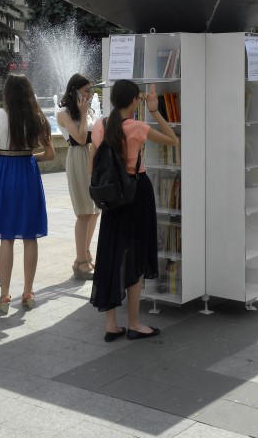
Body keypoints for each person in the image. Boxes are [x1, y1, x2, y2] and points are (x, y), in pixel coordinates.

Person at [90, 80, 178, 341]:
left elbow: (94, 164)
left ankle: (111, 325)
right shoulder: (137, 127)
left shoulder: (100, 126)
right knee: (135, 256)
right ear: (133, 101)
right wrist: (154, 111)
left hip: (111, 196)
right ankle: (134, 324)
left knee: (111, 254)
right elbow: (172, 140)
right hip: (136, 193)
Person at [0, 74, 55, 313]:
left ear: (7, 93)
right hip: (27, 174)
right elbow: (50, 154)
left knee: (7, 236)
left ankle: (4, 296)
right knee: (29, 235)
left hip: (4, 174)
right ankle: (28, 292)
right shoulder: (38, 118)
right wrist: (29, 156)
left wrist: (3, 150)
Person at [57, 74, 100, 280]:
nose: (90, 94)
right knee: (84, 211)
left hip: (92, 157)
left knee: (95, 210)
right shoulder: (64, 113)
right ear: (74, 91)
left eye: (91, 90)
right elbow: (81, 138)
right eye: (86, 90)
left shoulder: (88, 110)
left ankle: (86, 253)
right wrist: (83, 113)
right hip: (78, 156)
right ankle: (80, 260)